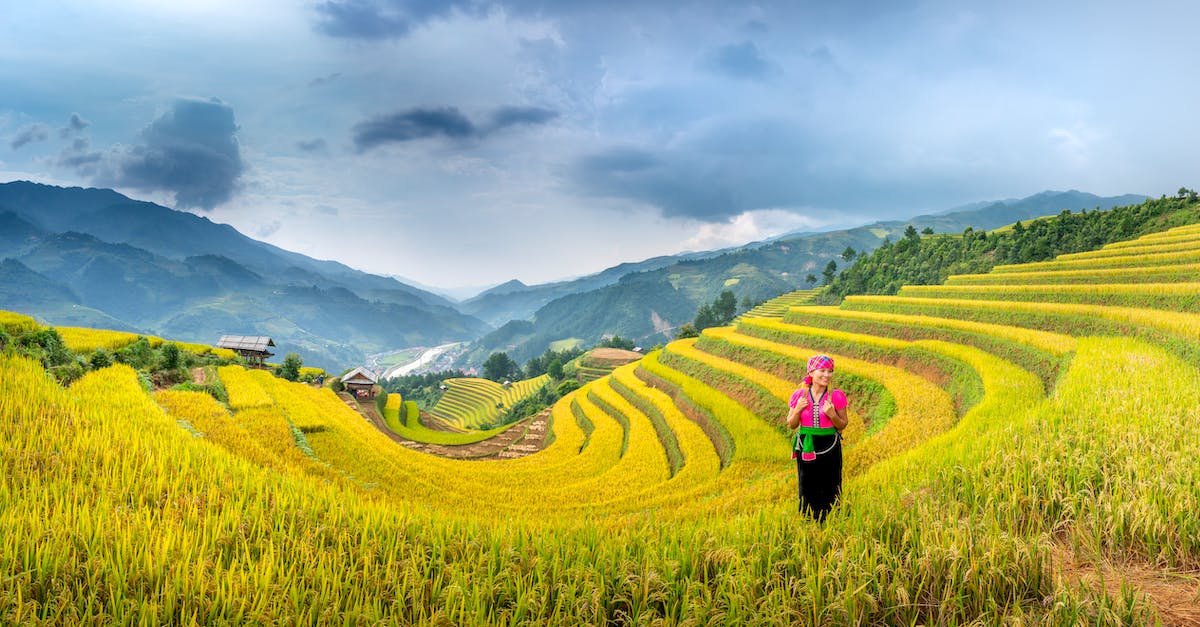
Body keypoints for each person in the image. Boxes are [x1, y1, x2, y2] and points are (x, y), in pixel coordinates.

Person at [785, 354, 849, 522]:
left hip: (830, 445)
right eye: (822, 370)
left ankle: (832, 520)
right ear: (811, 372)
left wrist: (832, 414)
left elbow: (842, 424)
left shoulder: (836, 396)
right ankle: (808, 521)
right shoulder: (799, 395)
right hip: (807, 445)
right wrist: (798, 409)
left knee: (831, 483)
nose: (827, 375)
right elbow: (791, 424)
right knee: (807, 484)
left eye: (830, 371)